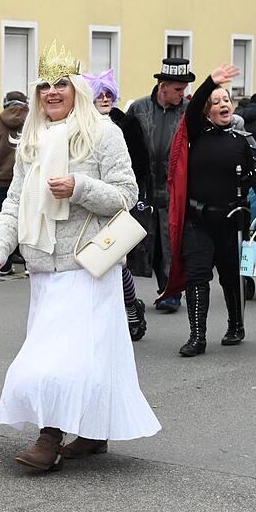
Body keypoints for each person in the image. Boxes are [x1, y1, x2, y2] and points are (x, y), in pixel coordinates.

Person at [0, 44, 160, 471]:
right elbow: (15, 200)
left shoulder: (103, 133)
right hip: (44, 264)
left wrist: (78, 187)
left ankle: (50, 435)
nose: (52, 93)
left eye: (61, 84)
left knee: (62, 357)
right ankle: (93, 432)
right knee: (76, 354)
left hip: (89, 265)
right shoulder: (32, 139)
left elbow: (126, 196)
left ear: (76, 88)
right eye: (45, 85)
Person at [157, 65, 256, 357]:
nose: (222, 105)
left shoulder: (243, 142)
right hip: (198, 221)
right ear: (207, 111)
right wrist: (210, 83)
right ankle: (197, 336)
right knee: (198, 276)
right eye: (216, 101)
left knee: (230, 276)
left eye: (226, 100)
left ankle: (236, 324)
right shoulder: (195, 133)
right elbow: (193, 105)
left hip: (231, 221)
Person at [84, 69, 149, 341]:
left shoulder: (125, 123)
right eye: (99, 94)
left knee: (115, 261)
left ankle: (131, 307)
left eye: (109, 93)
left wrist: (139, 196)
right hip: (86, 201)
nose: (105, 98)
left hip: (119, 199)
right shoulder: (79, 126)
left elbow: (140, 163)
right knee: (90, 263)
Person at [126, 57, 194, 311]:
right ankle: (129, 293)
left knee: (171, 243)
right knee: (143, 241)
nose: (182, 94)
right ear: (162, 86)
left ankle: (170, 292)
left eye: (184, 89)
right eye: (178, 89)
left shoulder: (187, 111)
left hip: (173, 188)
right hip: (143, 186)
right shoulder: (139, 108)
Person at [0, 91, 28, 274]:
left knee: (2, 218)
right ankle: (27, 264)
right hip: (26, 179)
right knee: (27, 219)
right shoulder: (32, 123)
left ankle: (4, 263)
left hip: (0, 179)